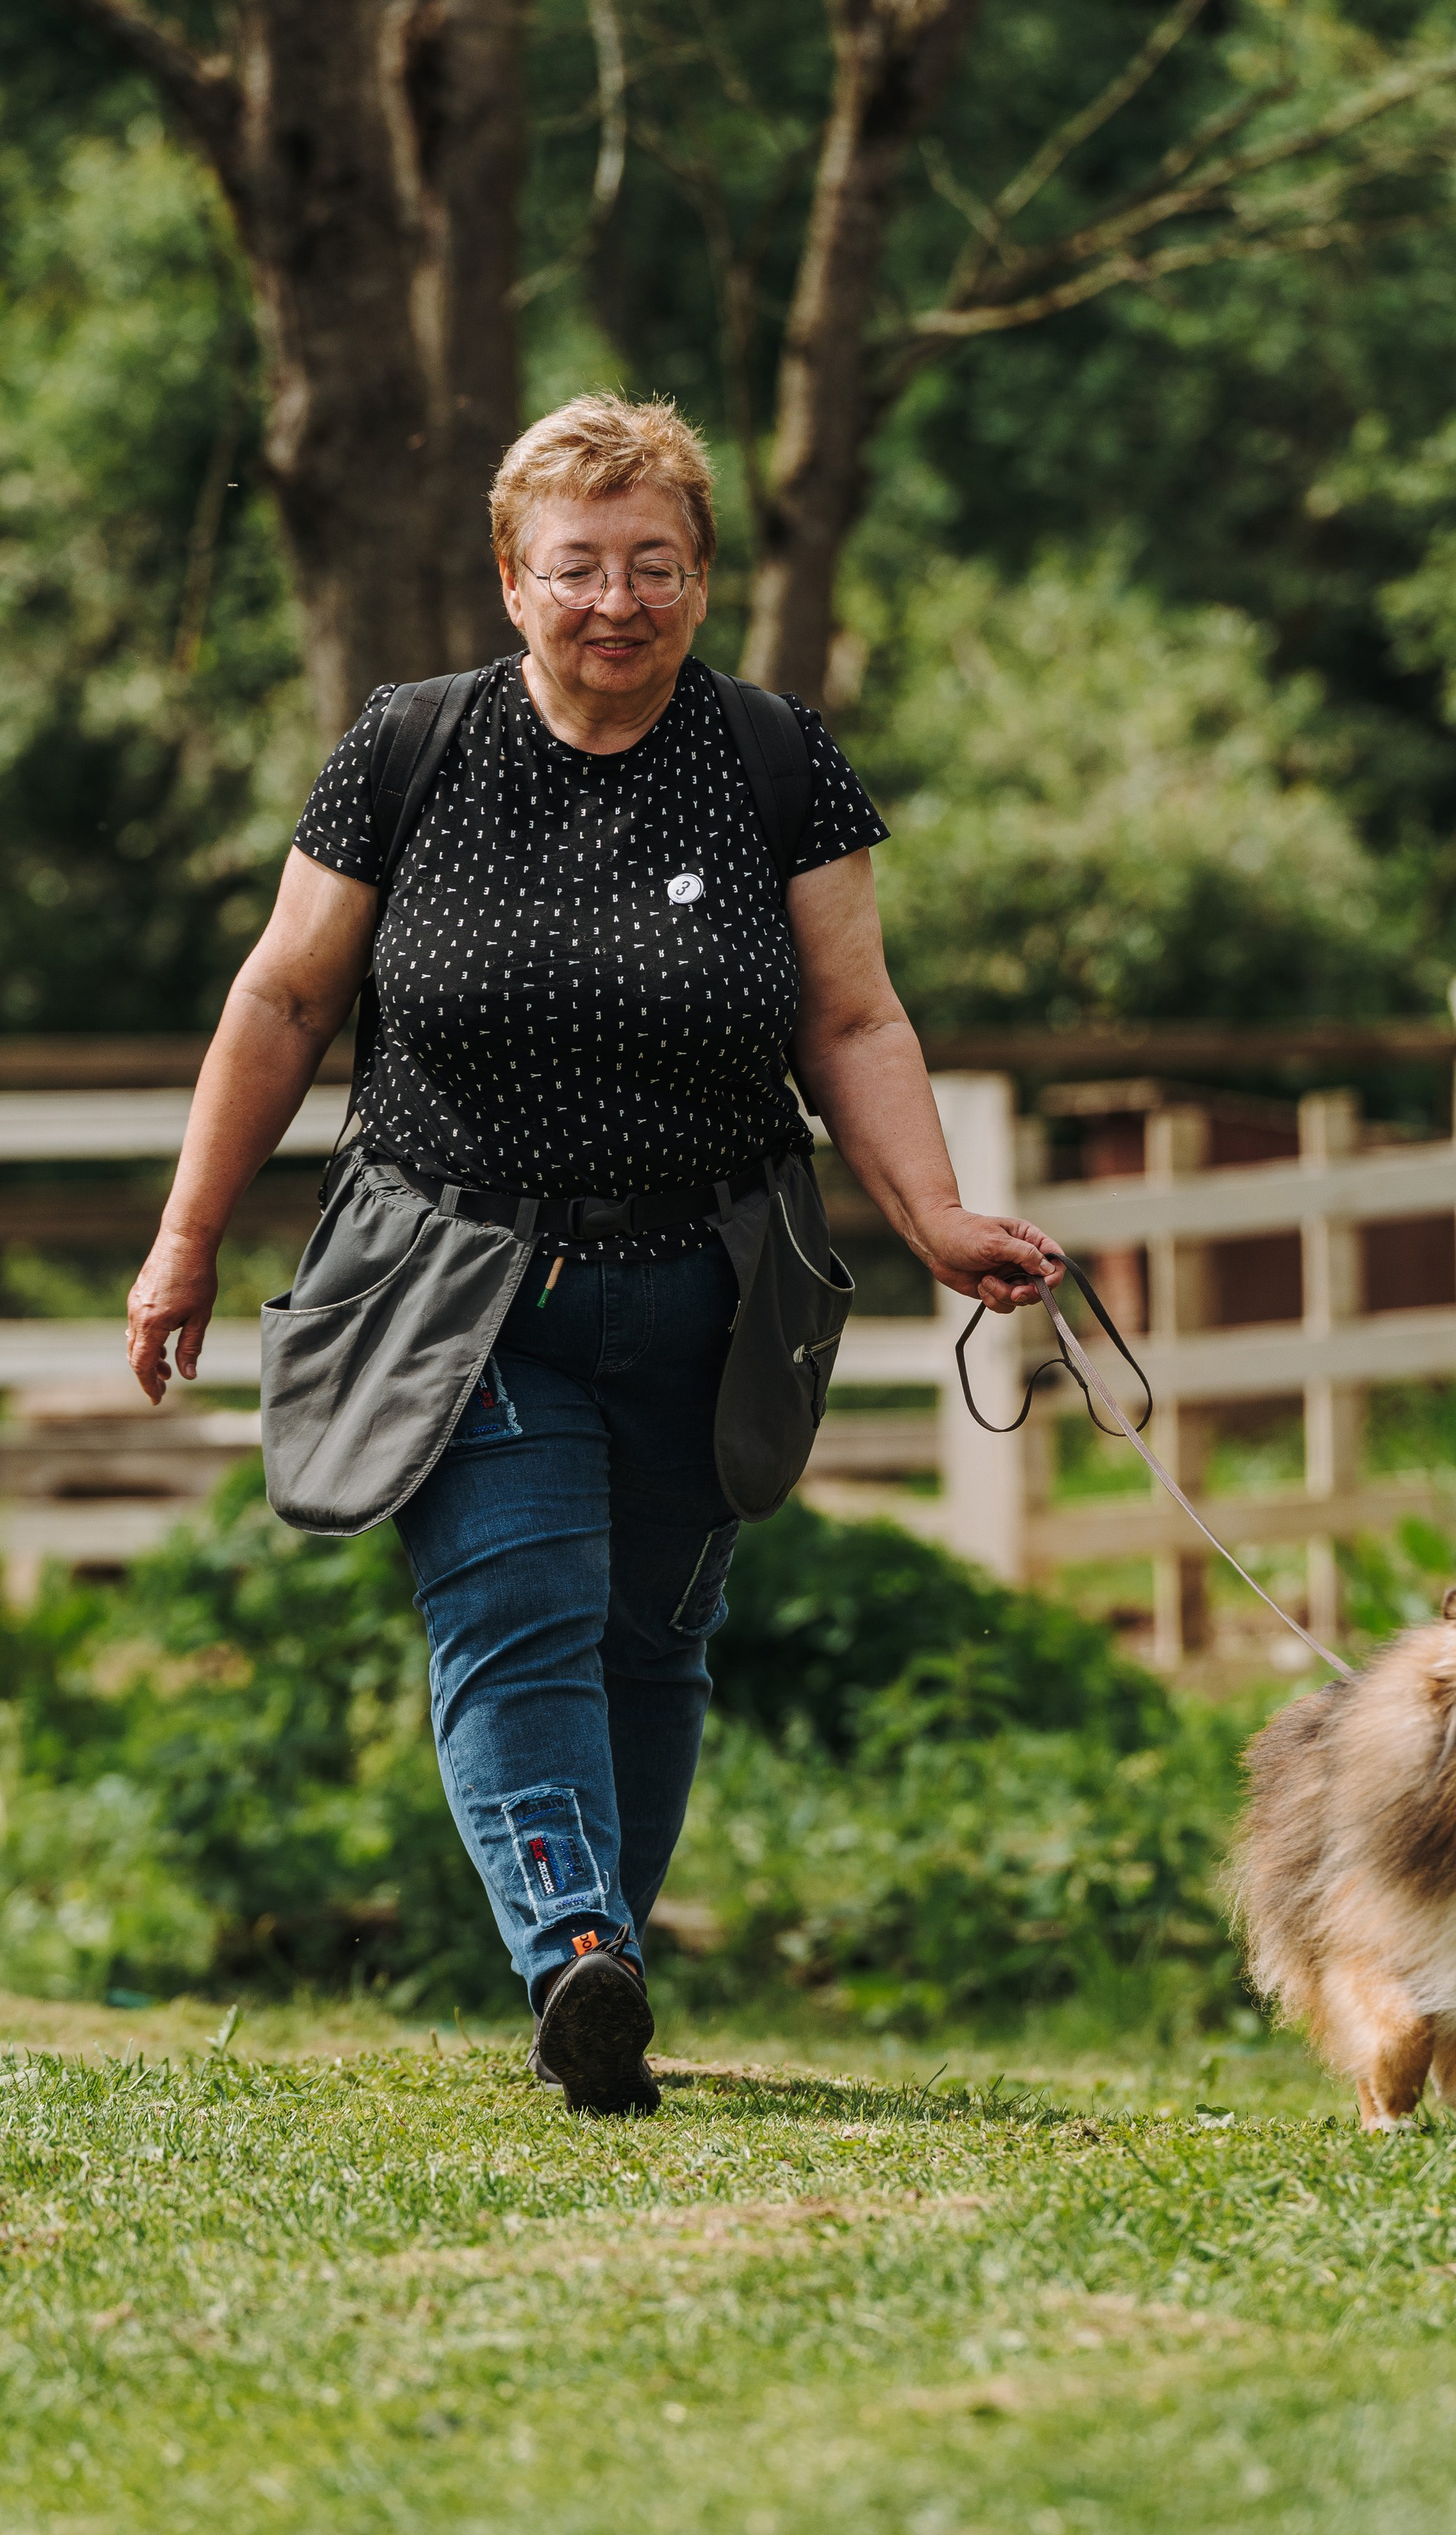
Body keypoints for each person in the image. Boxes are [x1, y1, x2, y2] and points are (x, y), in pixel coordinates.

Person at [125, 392, 1063, 2116]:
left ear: (701, 581)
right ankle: (571, 1947)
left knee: (650, 1637)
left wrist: (933, 1218)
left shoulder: (779, 760)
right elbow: (281, 994)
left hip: (711, 1282)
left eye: (654, 565)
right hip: (455, 1281)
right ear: (510, 576)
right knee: (518, 1613)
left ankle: (600, 1959)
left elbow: (852, 1017)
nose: (613, 599)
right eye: (577, 566)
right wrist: (185, 1236)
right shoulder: (408, 747)